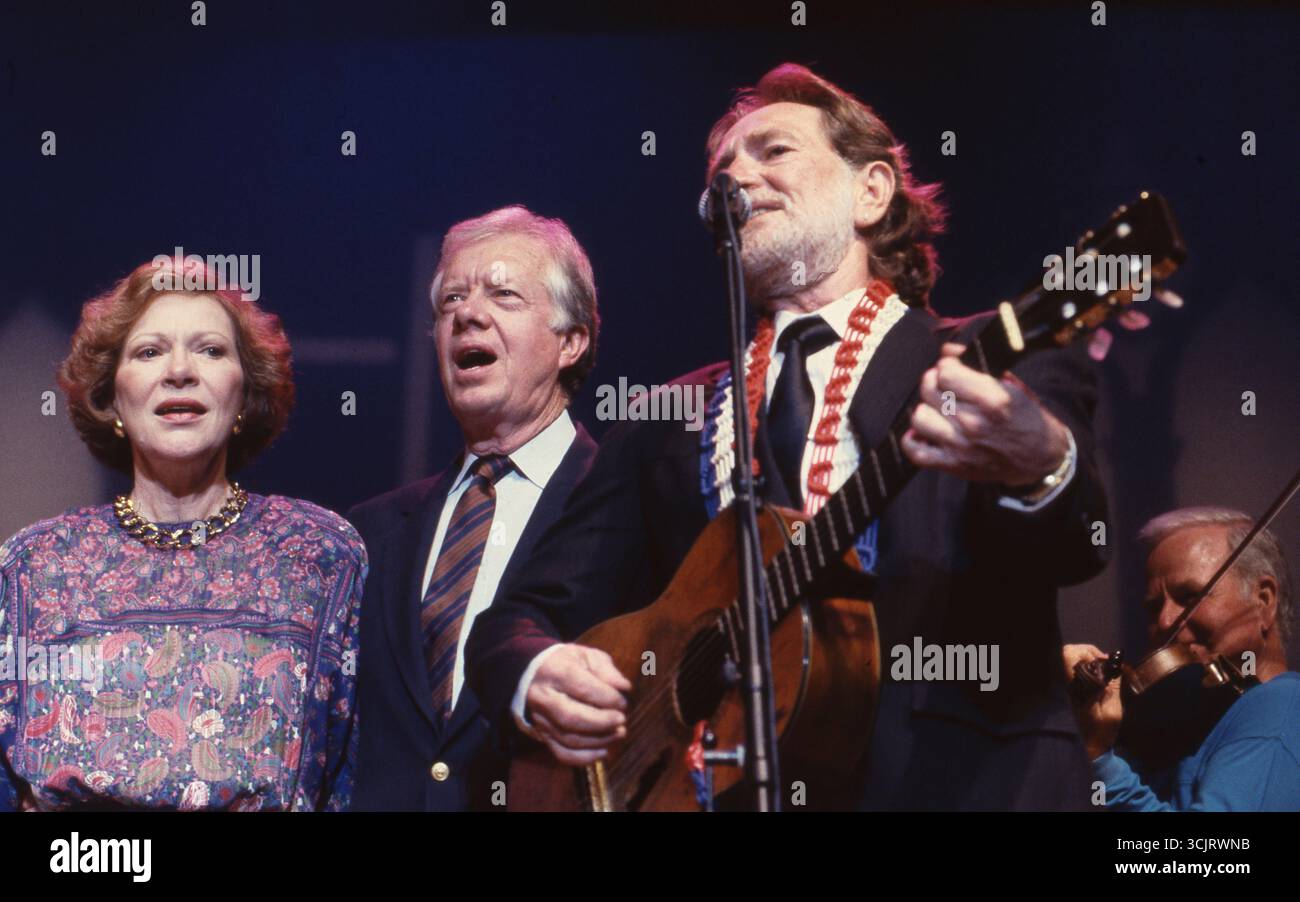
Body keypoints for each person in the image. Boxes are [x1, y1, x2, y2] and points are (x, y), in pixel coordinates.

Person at [466, 64, 1109, 810]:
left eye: (774, 151)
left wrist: (1041, 464)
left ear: (871, 192)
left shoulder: (990, 362)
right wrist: (534, 676)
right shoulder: (666, 414)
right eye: (723, 167)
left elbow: (1082, 541)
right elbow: (518, 618)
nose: (737, 173)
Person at [0, 257, 364, 811]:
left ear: (244, 395)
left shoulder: (320, 553)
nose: (180, 371)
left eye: (211, 350)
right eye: (149, 352)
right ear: (110, 398)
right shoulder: (34, 562)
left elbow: (353, 774)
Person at [349, 206, 599, 811]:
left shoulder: (622, 506)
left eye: (504, 294)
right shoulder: (368, 532)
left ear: (571, 341)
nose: (469, 313)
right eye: (451, 301)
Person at [1065, 507, 1300, 811]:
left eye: (1190, 597)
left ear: (1263, 600)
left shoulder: (1280, 705)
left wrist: (1100, 760)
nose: (1164, 621)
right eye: (1154, 607)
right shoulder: (1190, 735)